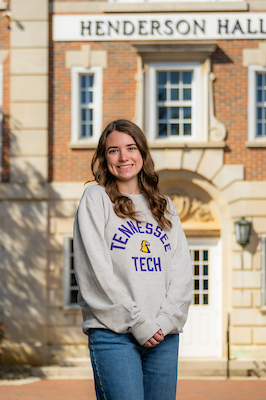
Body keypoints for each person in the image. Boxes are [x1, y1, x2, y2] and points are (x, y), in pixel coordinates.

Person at [73, 119, 193, 400]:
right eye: (114, 150)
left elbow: (182, 272)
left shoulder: (163, 205)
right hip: (114, 335)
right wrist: (139, 323)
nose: (124, 157)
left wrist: (164, 321)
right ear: (104, 158)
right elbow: (95, 273)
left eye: (131, 148)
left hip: (163, 336)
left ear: (142, 153)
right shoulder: (96, 198)